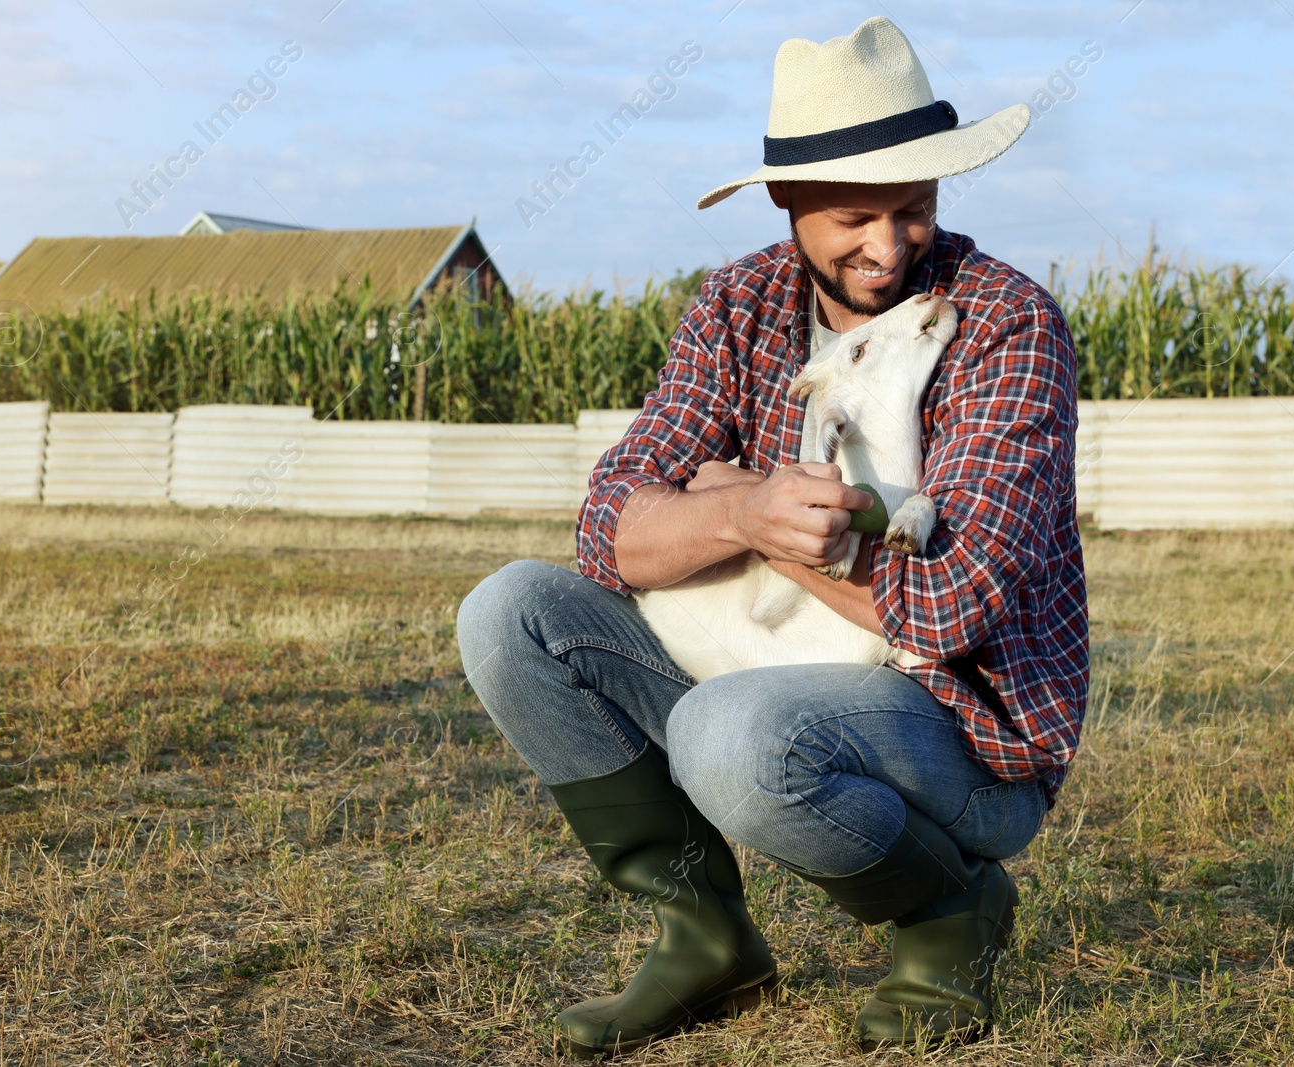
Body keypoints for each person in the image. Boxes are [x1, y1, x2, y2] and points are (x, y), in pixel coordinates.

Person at [456, 16, 1089, 1058]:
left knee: (731, 735)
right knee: (512, 611)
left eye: (915, 209)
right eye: (853, 216)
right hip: (777, 664)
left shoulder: (1004, 325)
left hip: (960, 732)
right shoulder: (738, 303)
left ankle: (948, 910)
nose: (889, 248)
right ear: (786, 202)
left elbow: (951, 605)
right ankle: (704, 936)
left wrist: (757, 519)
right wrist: (750, 512)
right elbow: (609, 527)